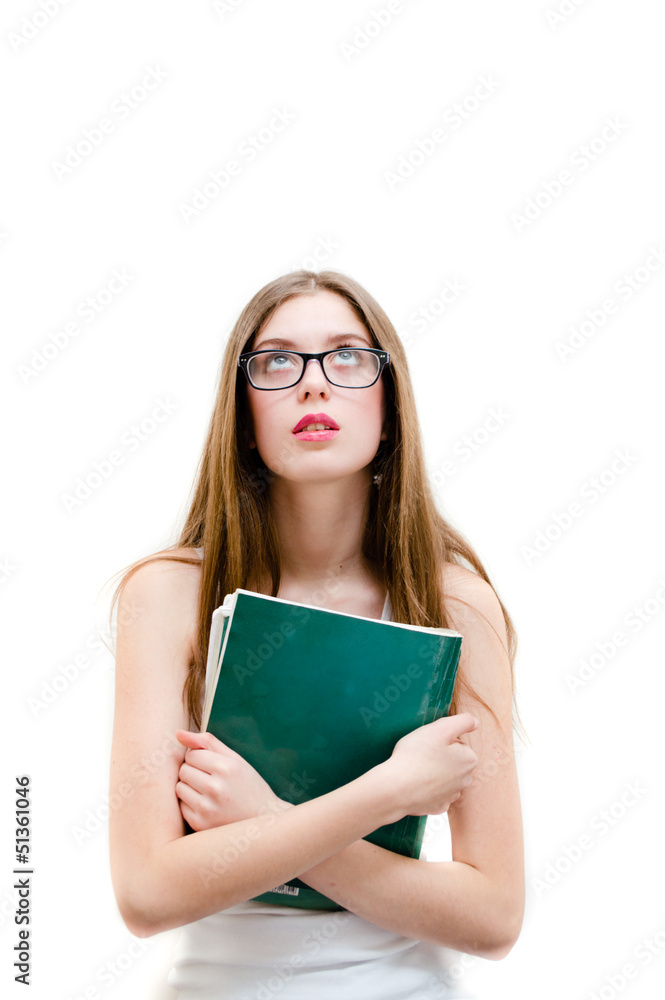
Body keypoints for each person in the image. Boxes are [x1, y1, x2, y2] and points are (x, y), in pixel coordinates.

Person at [107, 269, 525, 999]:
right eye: (275, 361)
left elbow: (493, 917)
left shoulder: (455, 602)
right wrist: (383, 794)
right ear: (242, 416)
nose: (312, 384)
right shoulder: (169, 594)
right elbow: (146, 894)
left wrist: (262, 818)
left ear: (389, 408)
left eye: (347, 357)